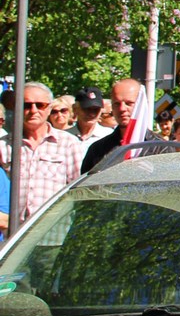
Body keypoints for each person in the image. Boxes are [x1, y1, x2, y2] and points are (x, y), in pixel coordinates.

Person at [1, 82, 83, 223]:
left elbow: (78, 191)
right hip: (15, 238)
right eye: (26, 105)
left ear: (49, 108)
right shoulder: (4, 146)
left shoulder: (68, 143)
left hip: (54, 235)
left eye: (40, 105)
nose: (33, 110)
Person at [80, 78, 146, 173]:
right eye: (117, 104)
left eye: (129, 103)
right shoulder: (97, 150)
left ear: (141, 104)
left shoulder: (160, 148)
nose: (122, 108)